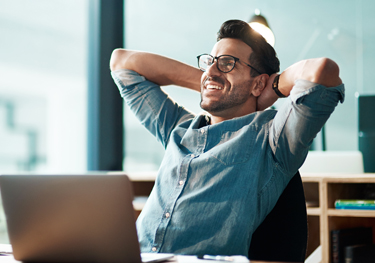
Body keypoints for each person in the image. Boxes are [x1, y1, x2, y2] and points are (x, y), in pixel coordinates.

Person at [110, 19, 344, 257]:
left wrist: (270, 88)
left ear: (259, 82)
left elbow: (322, 71)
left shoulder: (272, 139)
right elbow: (122, 63)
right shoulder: (179, 128)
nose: (210, 70)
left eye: (227, 63)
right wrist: (212, 82)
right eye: (209, 62)